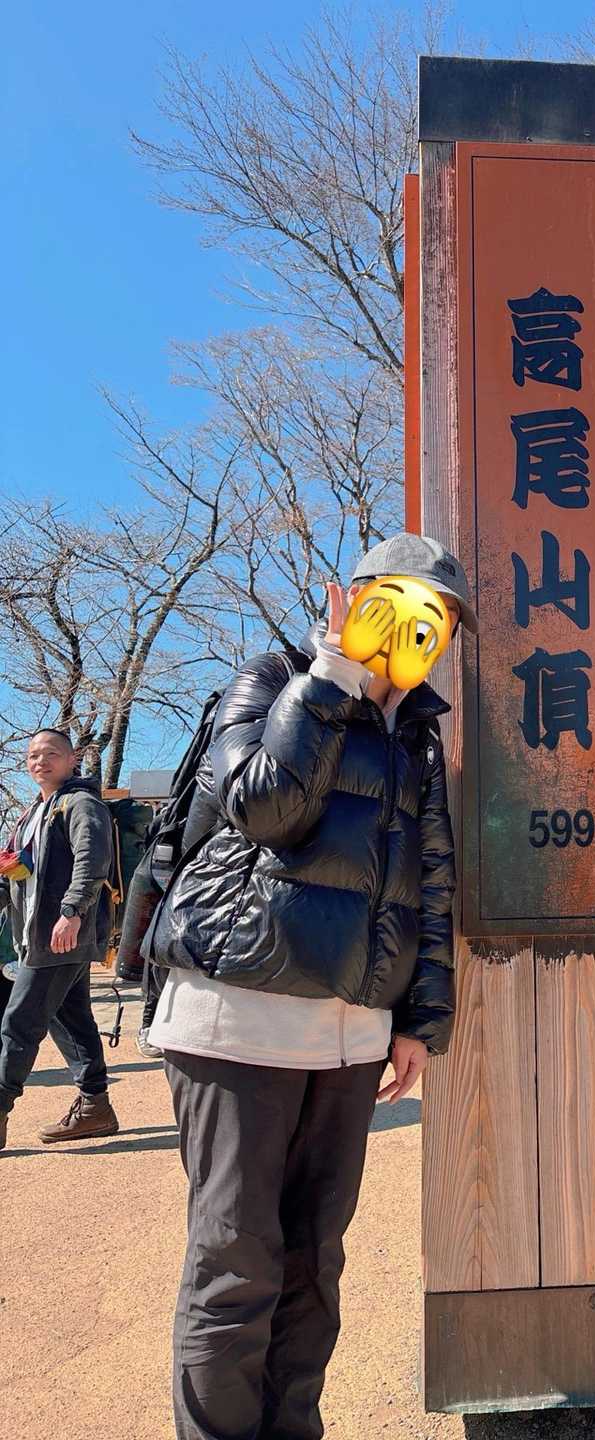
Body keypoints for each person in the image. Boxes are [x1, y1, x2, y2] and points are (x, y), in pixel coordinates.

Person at [145, 533, 473, 1440]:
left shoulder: (418, 733)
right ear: (351, 600)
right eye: (397, 604)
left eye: (438, 619)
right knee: (235, 1260)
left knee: (314, 1264)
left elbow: (430, 879)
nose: (418, 629)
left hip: (350, 1032)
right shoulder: (273, 679)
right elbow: (263, 808)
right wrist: (331, 678)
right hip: (235, 1015)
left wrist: (421, 1019)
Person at [0, 728, 120, 1151]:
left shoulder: (81, 803)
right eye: (33, 755)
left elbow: (92, 859)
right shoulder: (33, 813)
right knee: (69, 1018)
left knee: (19, 1022)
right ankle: (95, 1107)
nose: (40, 761)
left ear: (72, 759)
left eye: (51, 753)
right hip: (38, 934)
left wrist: (72, 912)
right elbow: (14, 871)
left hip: (62, 934)